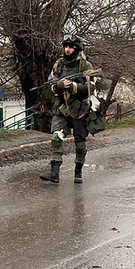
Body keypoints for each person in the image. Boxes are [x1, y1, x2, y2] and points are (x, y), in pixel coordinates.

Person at [39, 34, 99, 184]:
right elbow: (50, 85)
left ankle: (78, 172)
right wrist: (58, 85)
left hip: (80, 109)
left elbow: (91, 87)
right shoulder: (58, 65)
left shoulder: (85, 66)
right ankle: (54, 173)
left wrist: (74, 87)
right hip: (61, 108)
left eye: (71, 47)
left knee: (80, 142)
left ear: (77, 49)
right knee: (56, 137)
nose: (67, 49)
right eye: (65, 46)